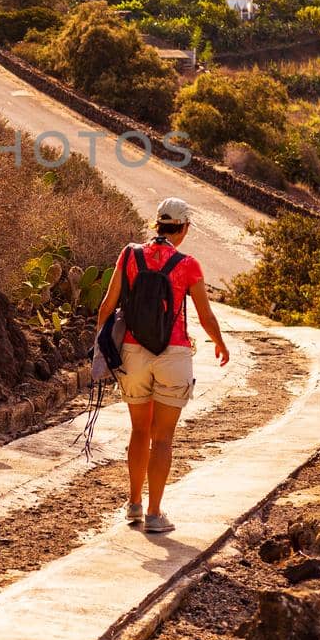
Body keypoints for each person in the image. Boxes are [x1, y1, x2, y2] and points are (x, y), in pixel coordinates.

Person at [94, 197, 228, 534]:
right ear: (184, 228)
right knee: (163, 438)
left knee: (139, 430)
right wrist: (220, 343)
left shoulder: (129, 255)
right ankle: (155, 515)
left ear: (156, 225)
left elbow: (108, 305)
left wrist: (102, 346)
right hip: (174, 355)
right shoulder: (188, 264)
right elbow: (205, 316)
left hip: (133, 354)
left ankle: (134, 505)